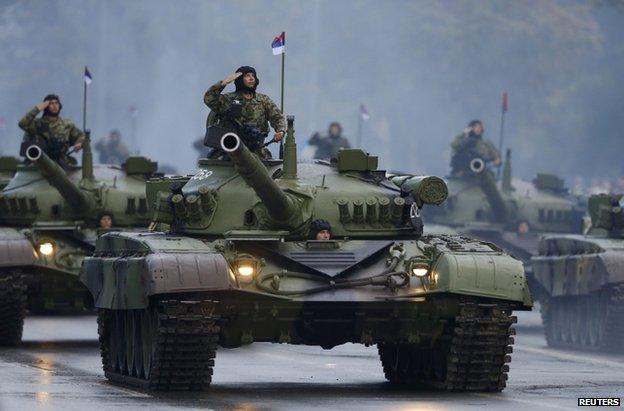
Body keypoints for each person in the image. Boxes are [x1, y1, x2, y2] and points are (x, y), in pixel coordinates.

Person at [203, 66, 285, 159]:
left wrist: (280, 130)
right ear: (240, 80)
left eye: (253, 75)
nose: (251, 78)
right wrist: (223, 83)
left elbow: (277, 117)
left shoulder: (263, 100)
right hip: (231, 150)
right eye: (247, 76)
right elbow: (209, 99)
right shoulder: (229, 99)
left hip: (257, 150)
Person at [18, 94, 84, 166]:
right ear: (45, 106)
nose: (54, 106)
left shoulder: (67, 125)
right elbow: (22, 124)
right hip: (38, 163)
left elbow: (82, 136)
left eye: (56, 103)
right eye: (51, 103)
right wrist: (37, 109)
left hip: (61, 164)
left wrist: (79, 142)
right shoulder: (37, 124)